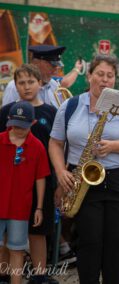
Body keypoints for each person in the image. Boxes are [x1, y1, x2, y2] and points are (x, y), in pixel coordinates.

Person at [48, 54, 119, 283]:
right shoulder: (71, 105)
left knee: (117, 242)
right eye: (99, 74)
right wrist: (61, 171)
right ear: (89, 75)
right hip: (82, 179)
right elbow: (55, 142)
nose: (104, 80)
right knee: (88, 242)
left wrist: (113, 146)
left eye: (110, 76)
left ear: (115, 79)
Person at [0, 64, 59, 284]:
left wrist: (59, 180)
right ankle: (4, 273)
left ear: (40, 83)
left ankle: (39, 275)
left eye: (31, 82)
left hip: (41, 180)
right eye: (21, 83)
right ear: (15, 86)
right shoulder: (7, 112)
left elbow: (58, 145)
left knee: (38, 230)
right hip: (11, 183)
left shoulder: (51, 112)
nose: (26, 87)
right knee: (8, 232)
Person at [0, 101, 49, 284]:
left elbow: (40, 178)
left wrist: (39, 208)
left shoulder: (37, 146)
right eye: (15, 125)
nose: (18, 130)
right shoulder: (0, 140)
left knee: (17, 249)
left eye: (23, 127)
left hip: (20, 209)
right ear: (8, 120)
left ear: (33, 123)